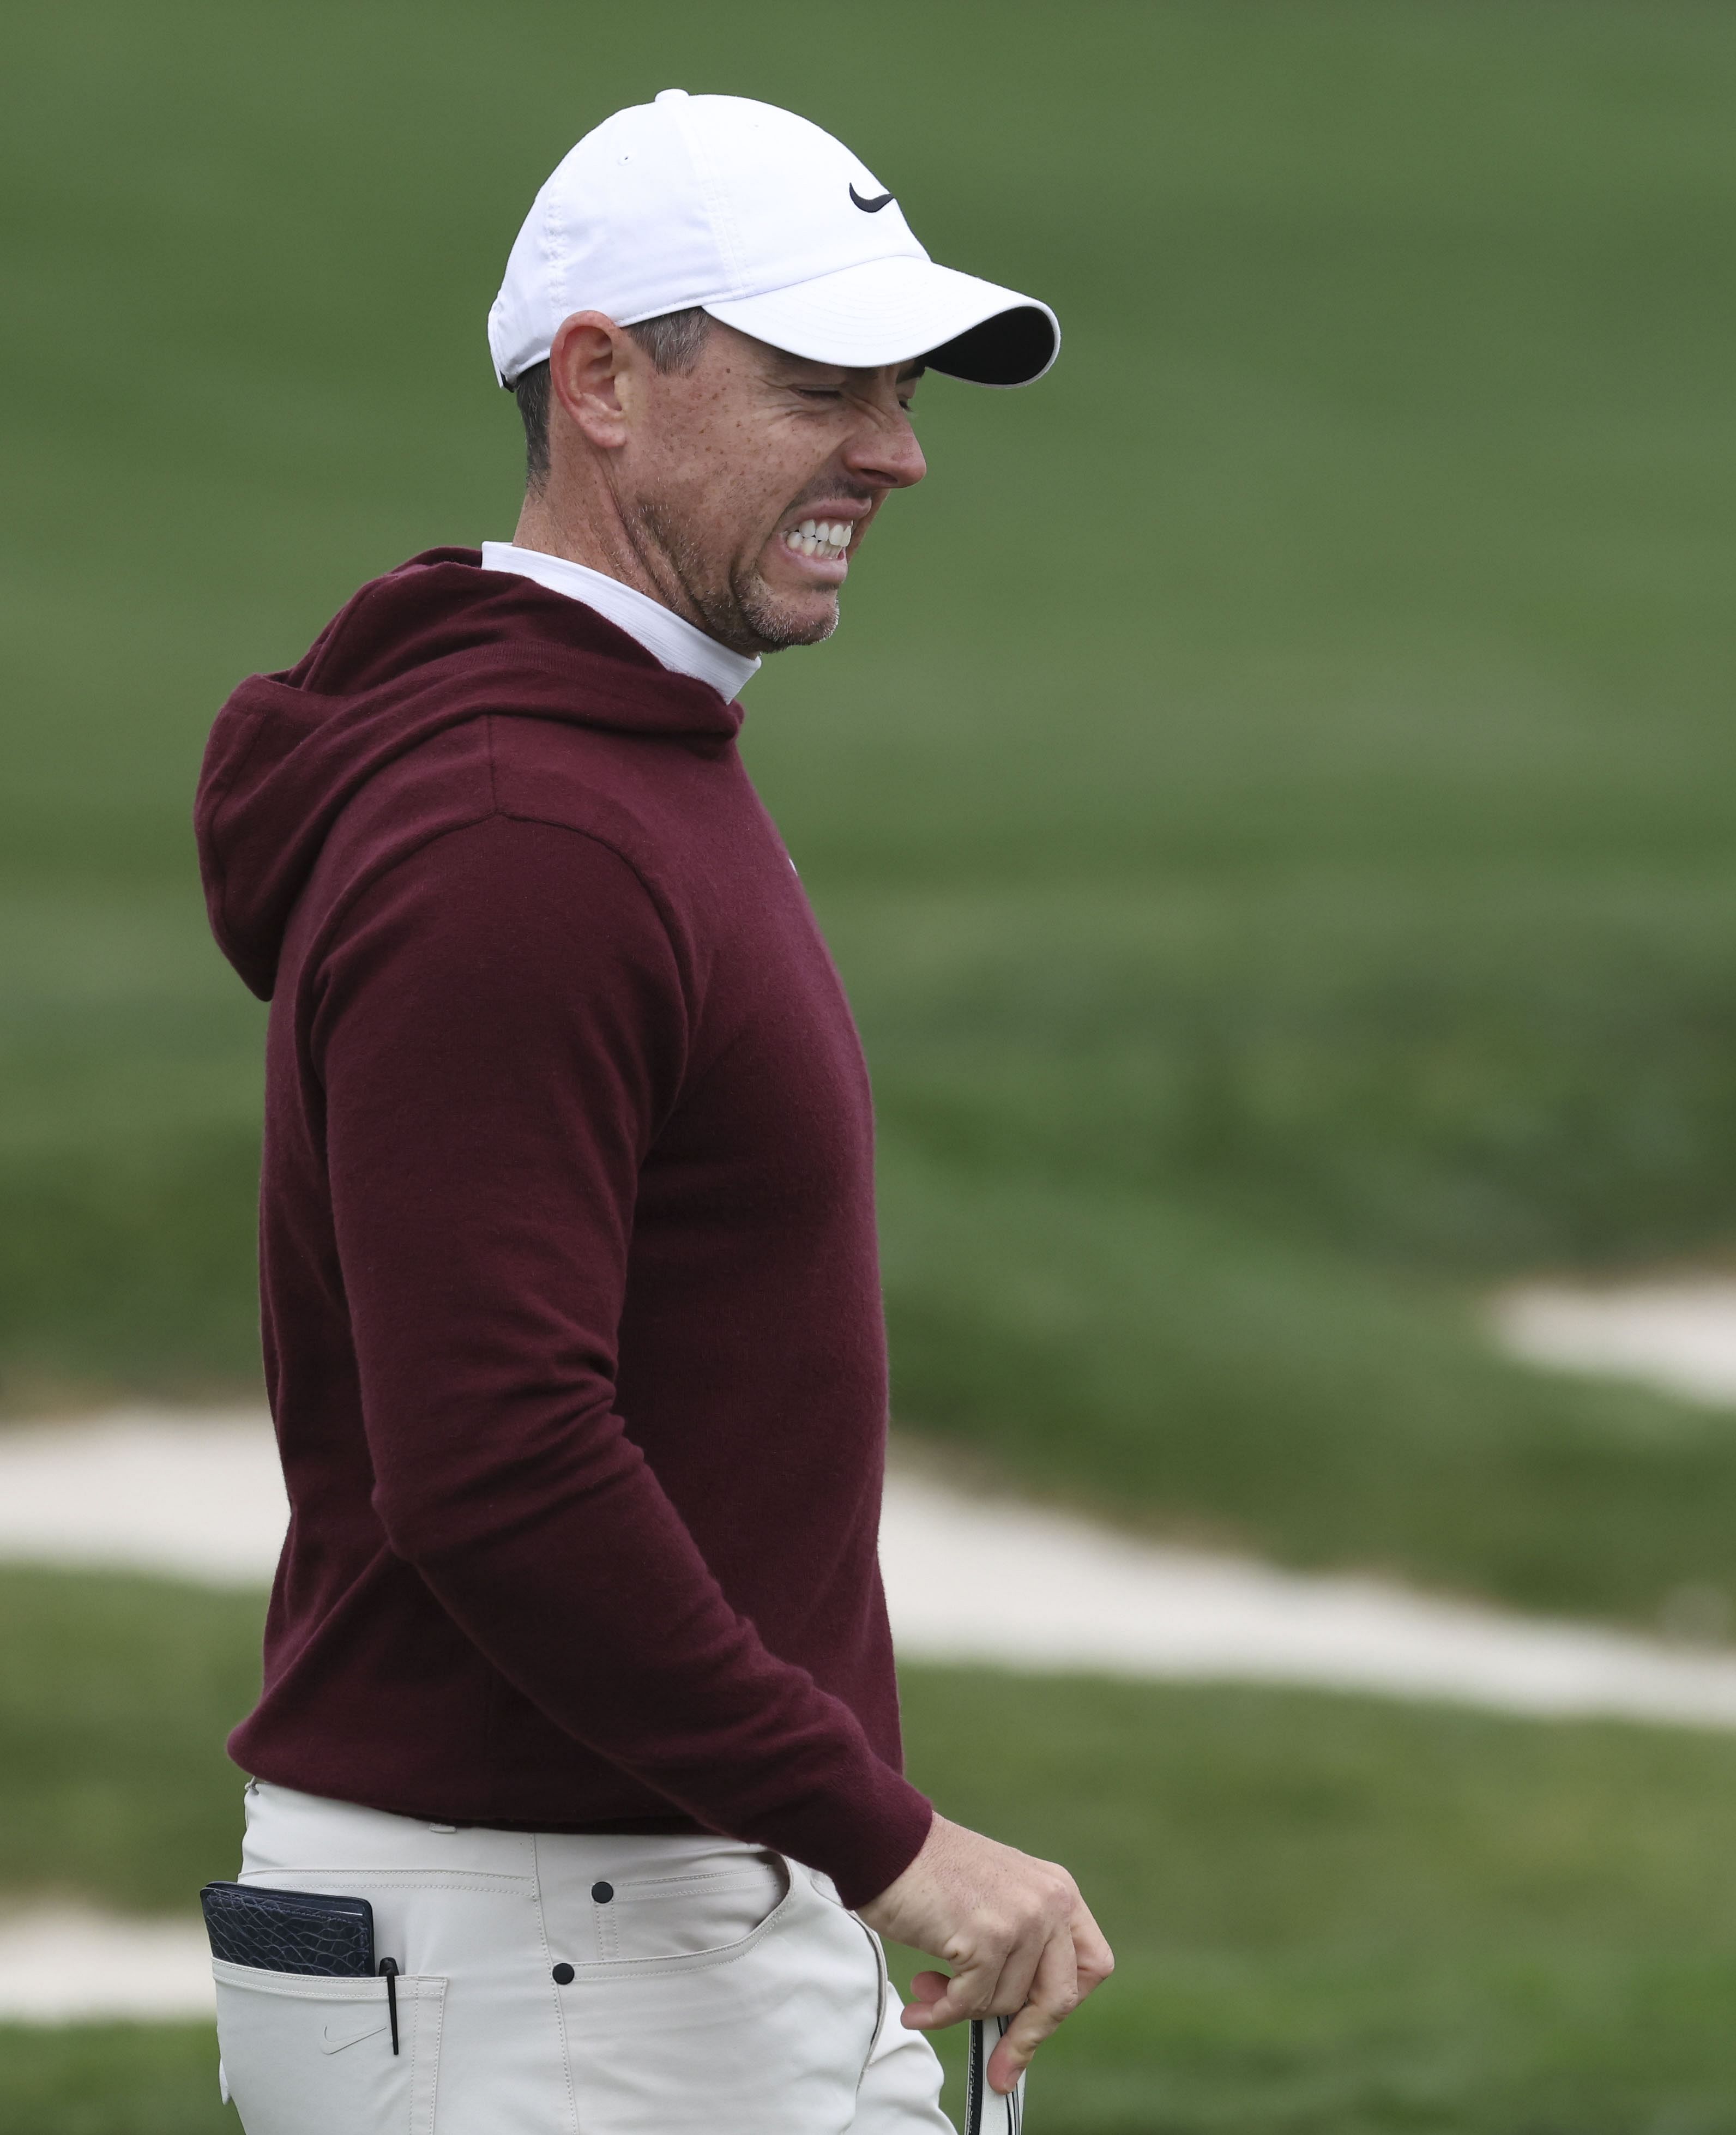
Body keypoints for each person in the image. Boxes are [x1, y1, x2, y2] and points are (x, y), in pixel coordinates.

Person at [189, 91, 1109, 2132]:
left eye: (899, 389)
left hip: (607, 1940)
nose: (896, 448)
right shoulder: (520, 827)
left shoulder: (615, 766)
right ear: (602, 380)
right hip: (546, 1976)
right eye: (820, 386)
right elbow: (498, 1460)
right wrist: (888, 1832)